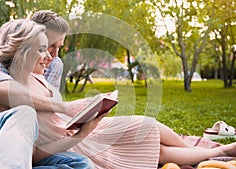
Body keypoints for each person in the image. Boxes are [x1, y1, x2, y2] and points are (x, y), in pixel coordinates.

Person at [25, 14, 236, 169]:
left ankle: (196, 151)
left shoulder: (50, 66)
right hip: (71, 142)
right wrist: (79, 128)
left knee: (147, 125)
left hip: (70, 128)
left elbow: (52, 110)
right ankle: (220, 151)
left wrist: (85, 111)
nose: (53, 55)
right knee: (151, 151)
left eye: (59, 47)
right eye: (49, 47)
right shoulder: (11, 86)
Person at [0, 19, 97, 168]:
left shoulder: (40, 80)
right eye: (43, 49)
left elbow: (34, 154)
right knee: (24, 113)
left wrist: (79, 135)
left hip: (16, 152)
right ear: (22, 50)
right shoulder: (9, 82)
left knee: (82, 164)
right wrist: (65, 108)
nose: (51, 56)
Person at [31, 10, 66, 90]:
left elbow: (50, 101)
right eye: (50, 45)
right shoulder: (5, 63)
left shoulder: (55, 64)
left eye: (59, 47)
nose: (55, 55)